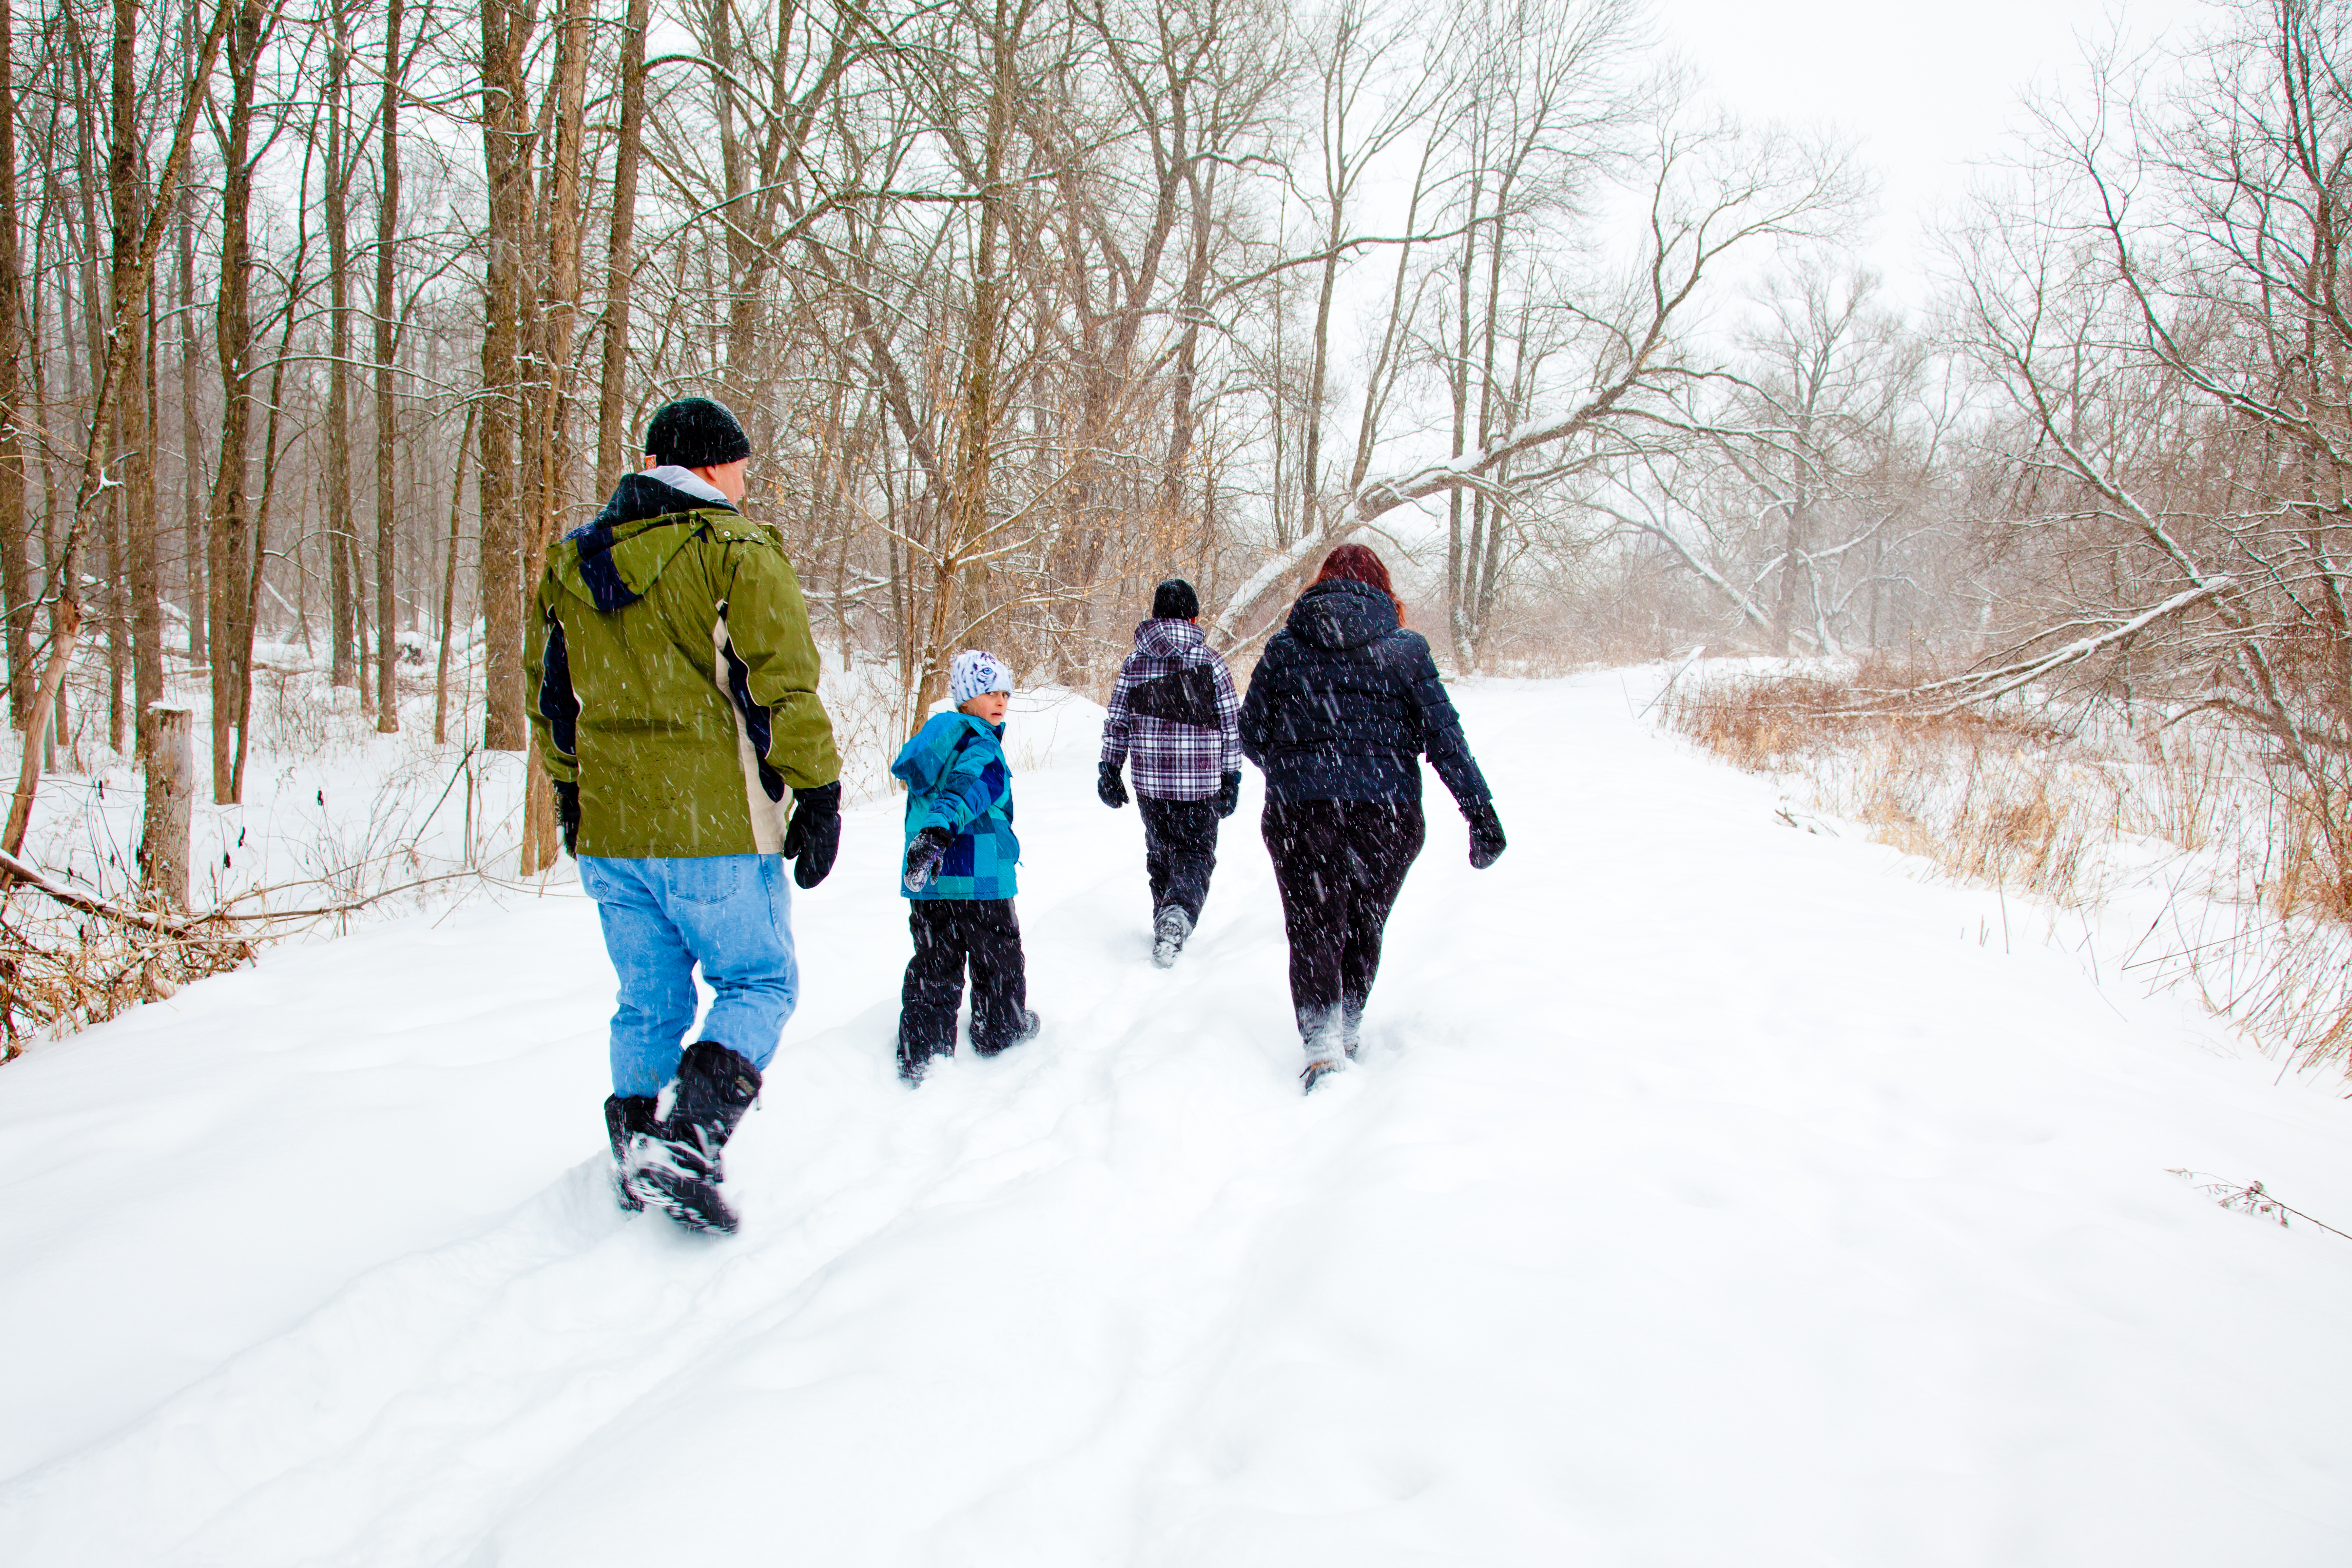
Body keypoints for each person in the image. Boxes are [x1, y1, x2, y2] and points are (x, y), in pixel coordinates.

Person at [526, 395, 842, 1233]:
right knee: (759, 979)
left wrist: (569, 790)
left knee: (648, 998)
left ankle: (637, 1147)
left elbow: (552, 702)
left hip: (614, 829)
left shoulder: (571, 565)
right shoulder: (733, 549)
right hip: (712, 826)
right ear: (707, 467)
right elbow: (781, 682)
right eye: (739, 464)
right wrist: (817, 788)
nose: (746, 479)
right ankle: (689, 1141)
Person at [1238, 544, 1506, 1093]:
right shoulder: (1405, 651)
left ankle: (1322, 1040)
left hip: (1300, 813)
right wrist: (1481, 813)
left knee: (1314, 924)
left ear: (1323, 585)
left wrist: (1295, 769)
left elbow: (1251, 731)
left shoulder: (1287, 648)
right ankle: (1347, 1023)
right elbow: (1445, 739)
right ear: (1381, 587)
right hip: (1387, 813)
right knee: (1363, 921)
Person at [892, 648, 1041, 1083]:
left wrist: (928, 846)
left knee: (934, 964)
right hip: (981, 879)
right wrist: (937, 834)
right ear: (965, 698)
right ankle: (1001, 1031)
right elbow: (966, 789)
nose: (999, 702)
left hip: (932, 884)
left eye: (1005, 694)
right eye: (989, 692)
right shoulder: (980, 743)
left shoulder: (935, 739)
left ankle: (922, 1052)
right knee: (998, 959)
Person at [1096, 578, 1244, 967]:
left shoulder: (1135, 663)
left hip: (1151, 783)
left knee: (1161, 853)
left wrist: (1110, 769)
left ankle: (1165, 916)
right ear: (1194, 617)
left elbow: (1117, 722)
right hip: (1201, 783)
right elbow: (1231, 725)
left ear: (1156, 616)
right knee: (1195, 854)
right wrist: (1231, 777)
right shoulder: (1210, 662)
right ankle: (1176, 917)